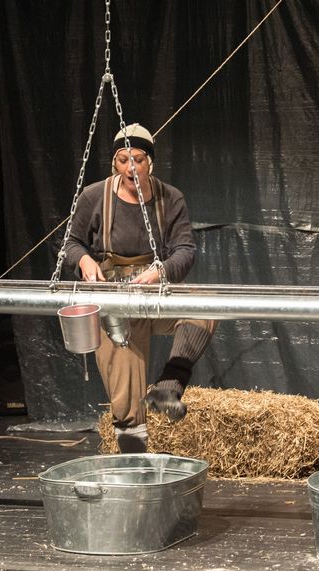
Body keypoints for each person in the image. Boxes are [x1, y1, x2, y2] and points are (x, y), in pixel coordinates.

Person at [64, 124, 216, 453]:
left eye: (138, 160)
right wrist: (85, 261)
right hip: (112, 301)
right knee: (126, 390)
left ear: (150, 162)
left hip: (153, 292)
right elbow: (71, 244)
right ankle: (134, 456)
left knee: (204, 306)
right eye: (123, 160)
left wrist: (160, 271)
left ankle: (167, 387)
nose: (131, 167)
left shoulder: (170, 198)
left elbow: (185, 250)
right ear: (114, 163)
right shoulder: (94, 196)